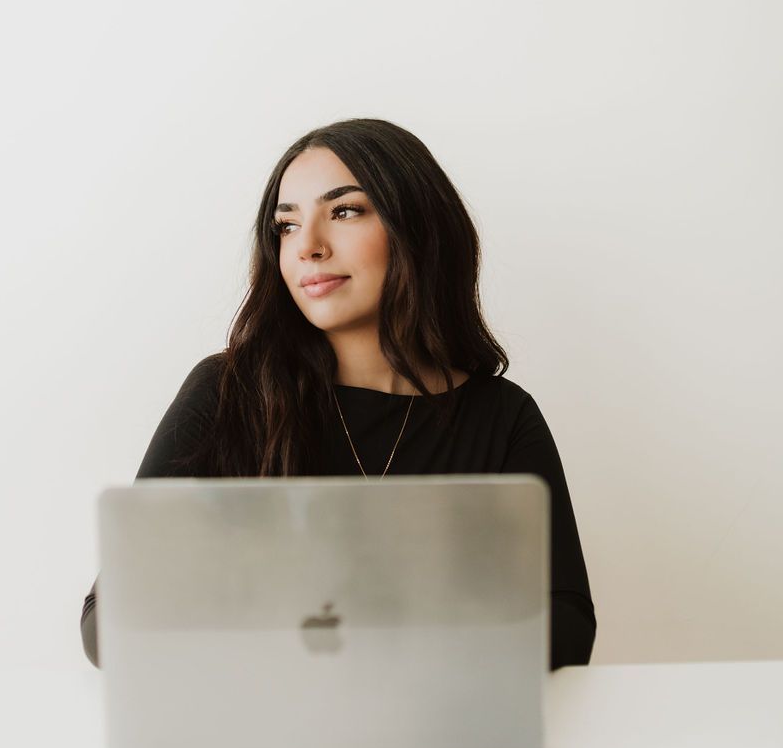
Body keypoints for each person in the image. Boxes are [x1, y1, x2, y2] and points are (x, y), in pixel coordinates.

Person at [80, 117, 596, 672]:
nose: (308, 247)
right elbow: (108, 621)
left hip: (435, 739)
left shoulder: (502, 417)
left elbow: (566, 627)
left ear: (418, 227)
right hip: (262, 733)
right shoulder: (227, 394)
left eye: (345, 211)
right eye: (286, 226)